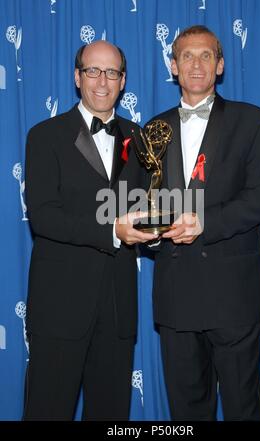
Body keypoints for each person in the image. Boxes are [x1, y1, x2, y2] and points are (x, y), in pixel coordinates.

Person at [151, 25, 260, 420]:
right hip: (176, 296)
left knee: (244, 406)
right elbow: (144, 204)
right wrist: (143, 232)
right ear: (173, 66)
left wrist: (203, 222)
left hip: (234, 297)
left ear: (220, 65)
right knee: (186, 412)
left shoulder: (255, 122)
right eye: (186, 56)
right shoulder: (151, 132)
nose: (196, 64)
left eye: (206, 55)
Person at [23, 40, 156, 421]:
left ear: (123, 80)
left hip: (118, 309)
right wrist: (114, 231)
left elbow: (146, 207)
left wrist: (165, 229)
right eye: (93, 71)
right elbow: (45, 217)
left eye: (112, 72)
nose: (102, 81)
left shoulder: (139, 138)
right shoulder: (45, 136)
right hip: (59, 308)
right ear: (77, 76)